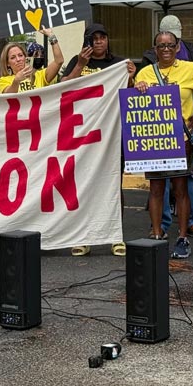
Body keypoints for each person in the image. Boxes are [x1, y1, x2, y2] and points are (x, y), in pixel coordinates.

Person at [61, 22, 136, 257]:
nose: (99, 42)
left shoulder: (119, 64)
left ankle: (115, 235)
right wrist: (80, 65)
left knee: (113, 183)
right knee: (84, 184)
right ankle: (84, 236)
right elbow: (62, 89)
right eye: (94, 38)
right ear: (87, 42)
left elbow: (130, 95)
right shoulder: (77, 61)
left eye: (103, 37)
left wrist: (132, 79)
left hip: (112, 132)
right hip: (83, 133)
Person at [134, 30, 193, 260]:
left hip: (183, 138)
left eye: (170, 45)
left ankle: (183, 236)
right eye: (161, 46)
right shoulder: (145, 72)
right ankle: (157, 234)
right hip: (154, 139)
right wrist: (138, 88)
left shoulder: (191, 69)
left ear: (178, 47)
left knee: (181, 188)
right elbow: (136, 104)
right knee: (156, 188)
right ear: (154, 49)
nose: (166, 49)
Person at [0, 28, 64, 93]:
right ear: (7, 63)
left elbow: (59, 61)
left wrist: (51, 35)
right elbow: (8, 97)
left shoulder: (40, 75)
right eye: (13, 57)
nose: (18, 59)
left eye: (20, 55)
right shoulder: (3, 80)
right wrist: (16, 81)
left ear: (25, 57)